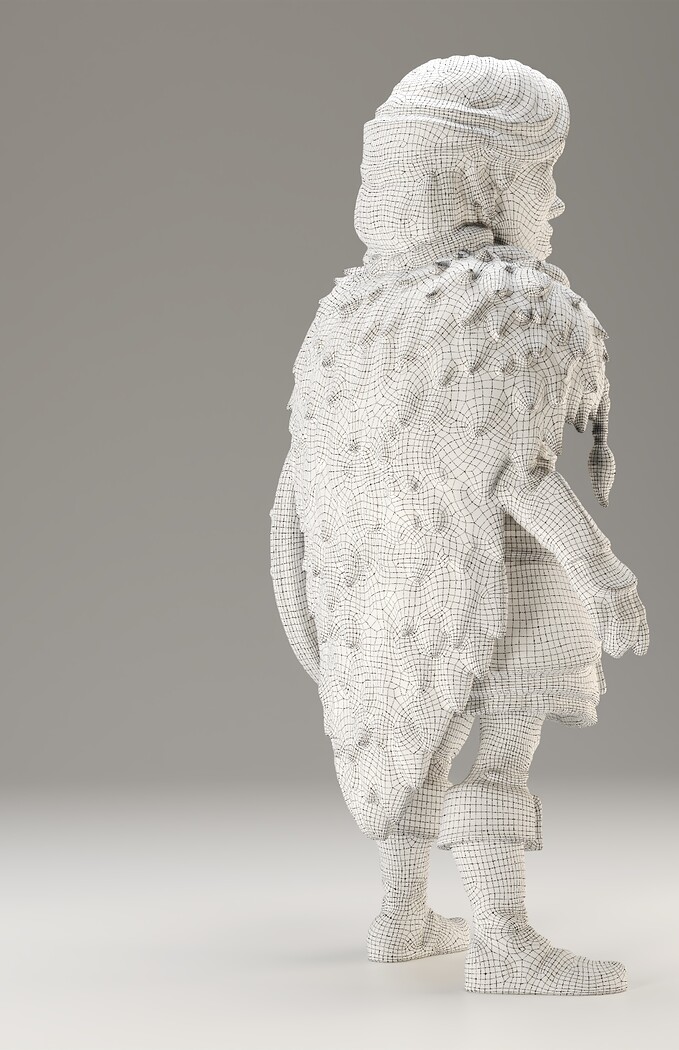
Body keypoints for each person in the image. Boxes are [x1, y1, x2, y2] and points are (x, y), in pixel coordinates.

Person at [270, 55, 649, 996]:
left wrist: (316, 599)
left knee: (424, 732)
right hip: (507, 576)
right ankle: (503, 942)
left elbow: (301, 483)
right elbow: (516, 472)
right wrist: (605, 575)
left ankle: (400, 916)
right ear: (483, 178)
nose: (554, 202)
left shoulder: (349, 312)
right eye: (541, 175)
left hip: (396, 578)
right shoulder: (516, 299)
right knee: (501, 749)